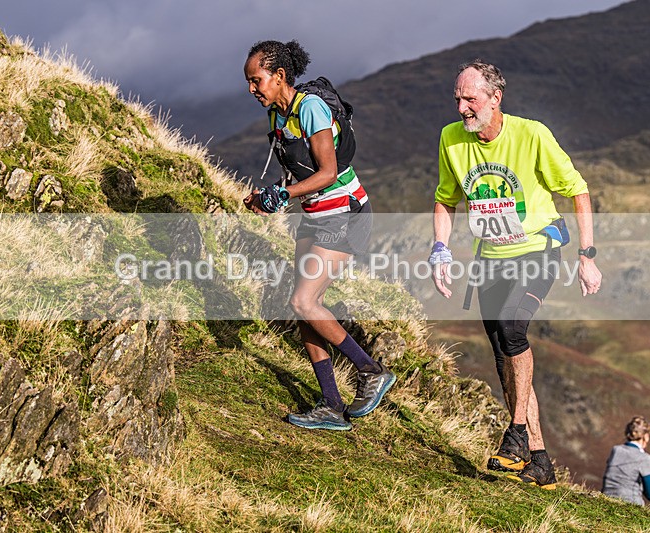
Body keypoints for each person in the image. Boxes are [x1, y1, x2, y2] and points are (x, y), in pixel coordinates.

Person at [430, 60, 602, 489]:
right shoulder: (451, 140)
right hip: (490, 260)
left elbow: (577, 189)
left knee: (512, 328)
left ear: (495, 98)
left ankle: (517, 433)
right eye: (458, 99)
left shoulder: (532, 135)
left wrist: (587, 255)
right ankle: (540, 459)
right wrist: (439, 249)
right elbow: (444, 199)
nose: (462, 108)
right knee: (504, 356)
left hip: (538, 251)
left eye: (470, 99)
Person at [242, 40, 395, 431]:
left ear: (279, 77)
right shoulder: (278, 116)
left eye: (257, 80)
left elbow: (326, 172)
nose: (252, 89)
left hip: (345, 212)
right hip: (315, 216)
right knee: (305, 310)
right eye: (248, 82)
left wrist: (285, 194)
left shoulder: (309, 107)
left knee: (304, 300)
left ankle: (370, 371)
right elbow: (298, 172)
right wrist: (270, 196)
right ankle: (331, 404)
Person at [601, 416, 650, 505]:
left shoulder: (615, 450)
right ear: (645, 436)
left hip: (605, 500)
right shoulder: (644, 458)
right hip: (631, 504)